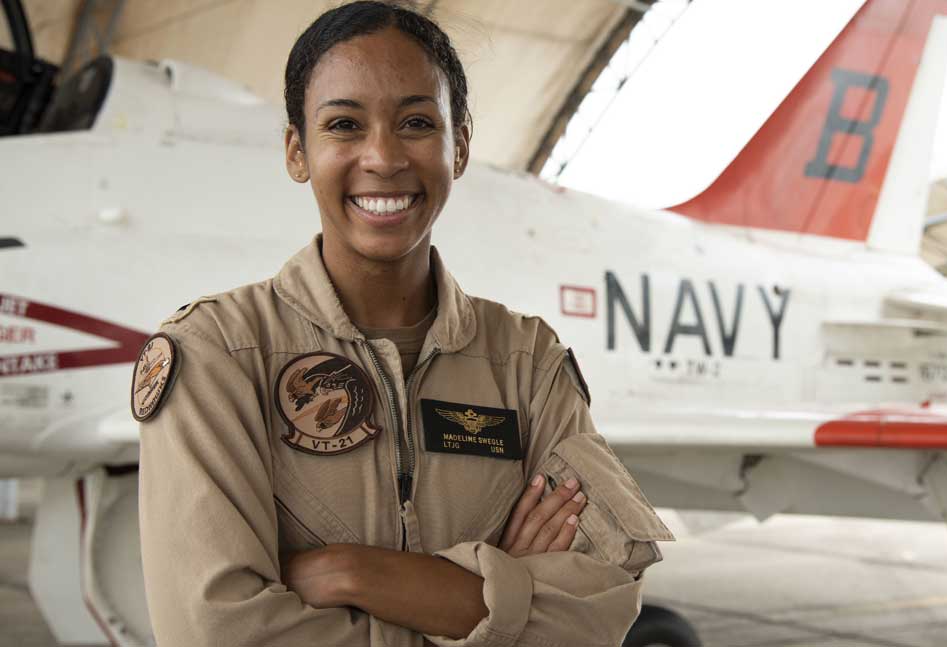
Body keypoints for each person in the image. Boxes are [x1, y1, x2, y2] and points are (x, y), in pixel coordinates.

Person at [134, 2, 673, 646]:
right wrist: (496, 596)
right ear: (296, 151)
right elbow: (215, 631)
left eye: (417, 122)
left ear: (460, 145)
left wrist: (356, 573)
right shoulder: (216, 356)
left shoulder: (525, 360)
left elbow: (602, 605)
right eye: (344, 125)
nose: (383, 157)